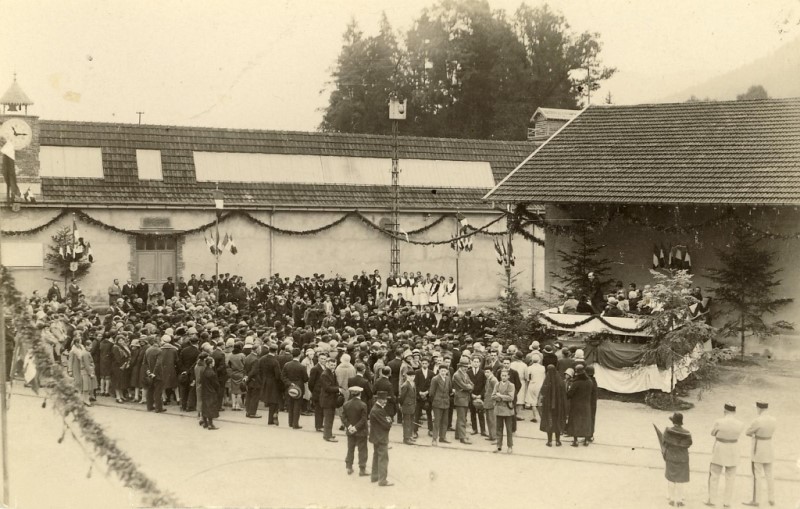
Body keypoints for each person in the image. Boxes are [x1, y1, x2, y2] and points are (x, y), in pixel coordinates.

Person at [706, 402, 744, 508]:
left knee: (714, 475)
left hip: (720, 448)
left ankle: (712, 499)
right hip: (733, 449)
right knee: (730, 477)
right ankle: (727, 502)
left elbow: (712, 433)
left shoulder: (719, 422)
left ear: (725, 411)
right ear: (734, 412)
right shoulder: (740, 423)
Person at [743, 401, 776, 507]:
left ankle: (756, 500)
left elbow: (748, 432)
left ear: (760, 409)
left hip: (758, 449)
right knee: (769, 475)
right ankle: (771, 498)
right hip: (769, 447)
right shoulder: (773, 420)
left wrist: (755, 435)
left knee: (757, 475)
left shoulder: (757, 421)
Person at [662, 412, 692, 508]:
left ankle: (671, 499)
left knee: (671, 478)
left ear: (673, 421)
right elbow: (689, 444)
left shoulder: (668, 431)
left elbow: (664, 442)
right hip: (683, 458)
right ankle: (679, 500)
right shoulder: (687, 433)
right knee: (680, 479)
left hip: (671, 457)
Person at [342, 386, 369, 476]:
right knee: (362, 450)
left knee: (350, 449)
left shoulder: (346, 404)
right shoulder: (363, 405)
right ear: (360, 394)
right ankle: (362, 469)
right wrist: (356, 427)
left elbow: (343, 417)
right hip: (361, 431)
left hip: (350, 431)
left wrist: (349, 426)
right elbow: (364, 419)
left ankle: (349, 467)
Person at [369, 391, 393, 487]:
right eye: (384, 399)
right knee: (383, 458)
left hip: (376, 437)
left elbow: (387, 419)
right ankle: (382, 480)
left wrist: (388, 420)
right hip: (381, 437)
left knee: (376, 457)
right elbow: (387, 424)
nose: (385, 401)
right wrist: (389, 421)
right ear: (380, 399)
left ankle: (374, 476)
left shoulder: (376, 409)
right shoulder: (378, 410)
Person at [539, 365, 567, 446]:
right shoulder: (560, 381)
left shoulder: (547, 381)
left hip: (548, 406)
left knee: (549, 422)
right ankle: (558, 441)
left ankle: (549, 441)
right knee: (557, 422)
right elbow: (564, 394)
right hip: (559, 407)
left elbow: (542, 391)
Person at [281, 348, 309, 429]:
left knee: (290, 405)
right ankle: (295, 424)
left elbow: (283, 376)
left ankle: (290, 422)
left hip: (289, 387)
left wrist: (289, 383)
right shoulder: (302, 366)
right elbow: (306, 379)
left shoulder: (287, 365)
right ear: (299, 355)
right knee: (297, 406)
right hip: (299, 387)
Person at [492, 368, 515, 454]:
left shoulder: (511, 385)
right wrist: (503, 397)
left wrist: (500, 396)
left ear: (508, 376)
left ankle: (510, 446)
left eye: (505, 375)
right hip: (498, 410)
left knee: (509, 429)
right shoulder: (497, 384)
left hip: (508, 411)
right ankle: (498, 446)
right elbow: (493, 396)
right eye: (502, 375)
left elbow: (511, 397)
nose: (503, 377)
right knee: (498, 429)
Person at [452, 356, 474, 444]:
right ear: (460, 366)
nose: (465, 368)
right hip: (460, 399)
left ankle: (458, 434)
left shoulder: (465, 374)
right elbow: (464, 386)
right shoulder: (457, 375)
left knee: (461, 418)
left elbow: (471, 384)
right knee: (462, 419)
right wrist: (468, 387)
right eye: (464, 366)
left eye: (466, 366)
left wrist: (468, 387)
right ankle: (462, 437)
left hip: (464, 398)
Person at [429, 364, 452, 446]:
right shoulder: (435, 379)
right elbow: (431, 393)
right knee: (437, 422)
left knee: (445, 421)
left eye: (444, 371)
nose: (443, 372)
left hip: (446, 403)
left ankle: (442, 437)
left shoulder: (448, 378)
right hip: (437, 403)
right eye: (441, 371)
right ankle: (434, 439)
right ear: (439, 371)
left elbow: (449, 390)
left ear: (447, 371)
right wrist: (435, 401)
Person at [319, 357, 340, 442]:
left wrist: (338, 388)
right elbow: (327, 388)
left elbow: (335, 384)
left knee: (330, 418)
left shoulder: (332, 373)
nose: (333, 366)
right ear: (327, 364)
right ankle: (327, 436)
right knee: (328, 419)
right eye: (331, 365)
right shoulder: (325, 374)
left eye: (334, 365)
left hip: (331, 399)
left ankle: (329, 434)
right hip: (327, 400)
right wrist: (338, 389)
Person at [413, 357, 434, 438]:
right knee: (417, 414)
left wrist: (427, 392)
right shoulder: (417, 372)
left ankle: (430, 429)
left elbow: (432, 385)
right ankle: (415, 431)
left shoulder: (431, 373)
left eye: (426, 363)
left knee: (429, 413)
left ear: (428, 364)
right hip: (419, 396)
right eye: (423, 363)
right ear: (421, 364)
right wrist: (419, 392)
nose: (424, 365)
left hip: (428, 396)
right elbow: (415, 384)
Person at [201, 356, 221, 430]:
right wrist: (217, 390)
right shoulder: (212, 373)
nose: (214, 363)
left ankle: (205, 423)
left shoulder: (204, 371)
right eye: (213, 362)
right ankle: (210, 424)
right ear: (210, 364)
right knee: (211, 407)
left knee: (205, 407)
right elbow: (216, 384)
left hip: (204, 391)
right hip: (211, 392)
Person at [398, 370, 417, 445]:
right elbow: (402, 397)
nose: (412, 377)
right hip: (407, 406)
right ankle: (406, 438)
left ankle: (409, 436)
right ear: (407, 376)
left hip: (412, 406)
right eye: (410, 376)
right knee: (406, 423)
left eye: (413, 376)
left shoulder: (413, 383)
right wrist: (402, 405)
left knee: (411, 422)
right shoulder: (405, 385)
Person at [227, 342, 246, 411]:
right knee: (239, 390)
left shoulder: (230, 355)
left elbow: (229, 364)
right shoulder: (242, 355)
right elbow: (245, 364)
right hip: (240, 373)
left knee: (233, 390)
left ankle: (233, 405)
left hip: (233, 373)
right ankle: (237, 405)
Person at [482, 366, 497, 442]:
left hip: (492, 403)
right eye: (485, 372)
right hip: (487, 402)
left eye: (488, 372)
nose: (486, 373)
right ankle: (491, 435)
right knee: (488, 419)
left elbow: (497, 391)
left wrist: (494, 402)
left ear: (492, 372)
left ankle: (494, 436)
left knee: (492, 420)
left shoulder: (493, 380)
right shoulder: (488, 379)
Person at [585, 364, 599, 441]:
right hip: (593, 403)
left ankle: (588, 435)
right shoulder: (594, 381)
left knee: (587, 419)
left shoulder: (588, 381)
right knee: (592, 418)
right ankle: (590, 435)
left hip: (588, 403)